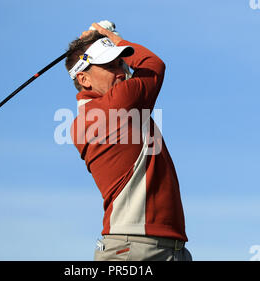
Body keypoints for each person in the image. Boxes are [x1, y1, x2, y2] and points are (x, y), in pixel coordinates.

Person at [65, 21, 191, 261]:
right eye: (109, 66)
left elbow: (134, 75)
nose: (121, 71)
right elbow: (152, 65)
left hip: (163, 247)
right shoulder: (119, 104)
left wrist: (109, 43)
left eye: (120, 63)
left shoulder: (86, 118)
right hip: (133, 250)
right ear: (84, 79)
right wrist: (112, 37)